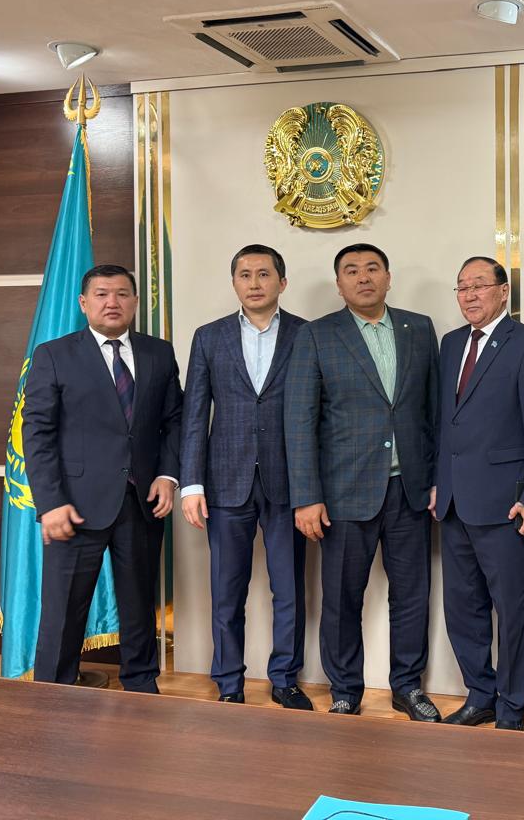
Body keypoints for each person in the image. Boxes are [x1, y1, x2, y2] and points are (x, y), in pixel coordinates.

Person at [284, 243, 441, 721]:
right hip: (343, 492)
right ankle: (345, 690)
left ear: (388, 277)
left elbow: (435, 412)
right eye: (351, 271)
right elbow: (299, 421)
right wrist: (306, 497)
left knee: (411, 596)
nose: (363, 277)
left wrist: (438, 479)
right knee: (341, 598)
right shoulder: (316, 335)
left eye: (373, 268)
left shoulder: (419, 328)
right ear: (339, 285)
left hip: (409, 490)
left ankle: (407, 687)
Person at [24, 263, 182, 692]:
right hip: (74, 505)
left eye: (122, 294)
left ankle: (142, 687)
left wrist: (168, 475)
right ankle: (53, 693)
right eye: (101, 294)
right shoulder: (54, 355)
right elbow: (36, 433)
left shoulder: (158, 353)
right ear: (83, 303)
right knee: (63, 609)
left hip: (141, 501)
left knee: (139, 605)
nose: (112, 302)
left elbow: (175, 420)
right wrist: (50, 503)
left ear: (135, 301)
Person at [179, 245, 310, 708]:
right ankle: (229, 682)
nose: (254, 283)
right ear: (234, 282)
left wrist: (313, 487)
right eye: (245, 274)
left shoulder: (307, 334)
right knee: (226, 591)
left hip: (289, 481)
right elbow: (195, 414)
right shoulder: (208, 337)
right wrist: (191, 483)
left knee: (288, 589)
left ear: (282, 282)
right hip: (224, 481)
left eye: (264, 274)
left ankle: (285, 679)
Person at [433, 256, 524, 731]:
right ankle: (479, 695)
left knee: (514, 609)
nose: (470, 295)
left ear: (504, 292)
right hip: (454, 502)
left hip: (508, 503)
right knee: (463, 608)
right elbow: (445, 422)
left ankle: (512, 705)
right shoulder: (450, 344)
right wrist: (438, 482)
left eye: (479, 285)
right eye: (462, 287)